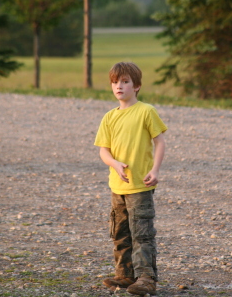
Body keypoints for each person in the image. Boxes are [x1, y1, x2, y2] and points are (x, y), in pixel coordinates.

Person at [94, 62, 167, 296]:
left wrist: (155, 170)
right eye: (115, 82)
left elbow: (160, 142)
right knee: (120, 232)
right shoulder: (109, 117)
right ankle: (125, 275)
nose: (119, 86)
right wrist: (114, 164)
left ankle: (146, 279)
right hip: (118, 187)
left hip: (140, 186)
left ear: (136, 86)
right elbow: (103, 151)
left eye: (125, 82)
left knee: (142, 233)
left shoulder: (146, 111)